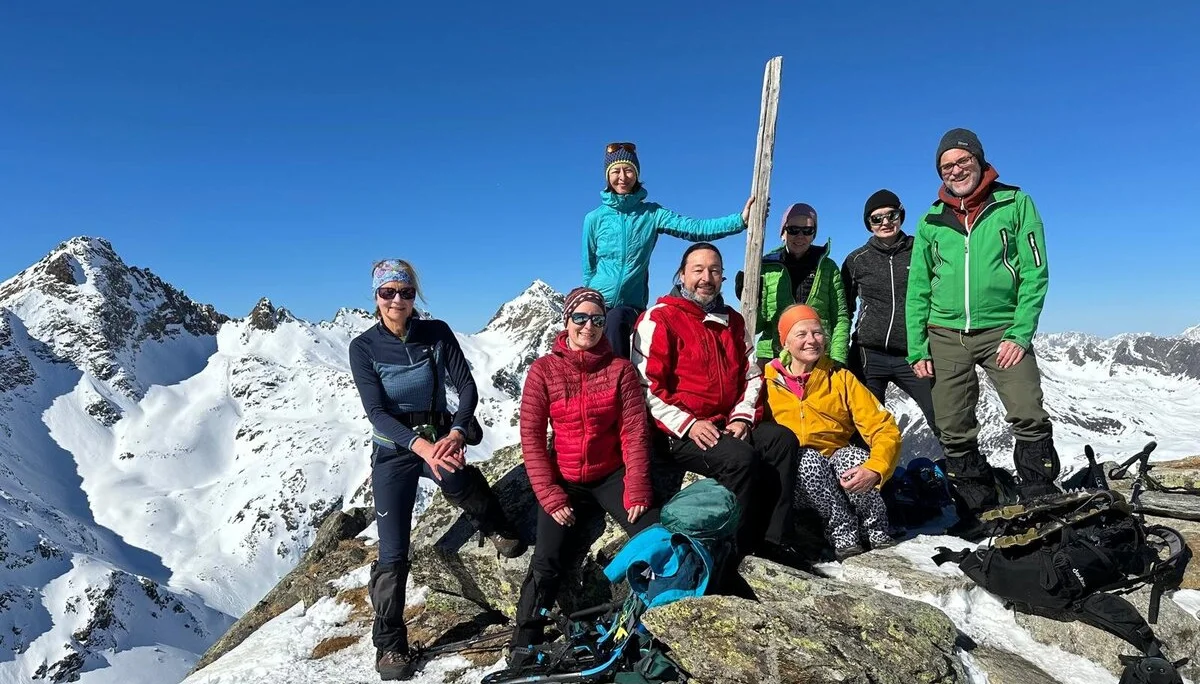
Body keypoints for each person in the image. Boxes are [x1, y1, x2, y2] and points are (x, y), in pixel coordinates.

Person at [349, 259, 527, 681]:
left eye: (405, 292)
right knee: (393, 553)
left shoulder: (436, 333)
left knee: (459, 481)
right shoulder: (364, 347)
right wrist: (421, 447)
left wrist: (460, 431)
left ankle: (496, 525)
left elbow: (465, 385)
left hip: (440, 434)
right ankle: (390, 645)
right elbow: (376, 411)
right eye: (388, 292)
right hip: (395, 451)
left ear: (415, 297)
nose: (397, 300)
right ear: (375, 297)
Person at [906, 128, 1059, 536]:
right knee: (953, 427)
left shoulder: (1014, 202)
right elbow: (918, 288)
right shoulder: (931, 220)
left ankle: (1040, 501)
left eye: (962, 161)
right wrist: (917, 346)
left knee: (1027, 413)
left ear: (979, 159)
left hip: (1003, 328)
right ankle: (979, 512)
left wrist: (1020, 332)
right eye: (946, 166)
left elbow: (1035, 273)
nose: (955, 170)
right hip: (944, 333)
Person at [509, 286, 660, 663]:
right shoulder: (544, 370)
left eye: (596, 319)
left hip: (611, 474)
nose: (588, 326)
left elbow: (634, 432)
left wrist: (637, 485)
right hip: (564, 477)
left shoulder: (619, 370)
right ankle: (522, 643)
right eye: (580, 317)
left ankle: (660, 621)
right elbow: (531, 436)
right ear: (567, 321)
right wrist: (550, 495)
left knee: (654, 535)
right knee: (546, 560)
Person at [631, 242, 799, 561]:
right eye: (698, 270)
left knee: (782, 441)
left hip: (726, 422)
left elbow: (751, 376)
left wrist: (742, 418)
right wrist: (689, 424)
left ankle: (776, 540)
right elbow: (646, 388)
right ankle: (730, 552)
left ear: (722, 277)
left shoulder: (733, 322)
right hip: (677, 432)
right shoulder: (659, 319)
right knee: (740, 459)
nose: (706, 277)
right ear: (681, 276)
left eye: (715, 270)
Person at [582, 141, 758, 359]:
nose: (622, 177)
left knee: (616, 321)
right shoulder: (594, 218)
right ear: (607, 176)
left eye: (628, 170)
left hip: (629, 306)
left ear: (636, 174)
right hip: (599, 301)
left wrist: (740, 220)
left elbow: (694, 229)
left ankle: (621, 384)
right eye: (615, 171)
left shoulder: (652, 214)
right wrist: (589, 298)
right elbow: (589, 267)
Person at [763, 304, 902, 560]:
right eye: (801, 334)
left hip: (837, 463)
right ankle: (843, 531)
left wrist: (876, 467)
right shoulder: (767, 382)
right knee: (806, 460)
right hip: (798, 478)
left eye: (817, 333)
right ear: (785, 342)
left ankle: (876, 528)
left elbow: (883, 427)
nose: (811, 340)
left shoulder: (840, 378)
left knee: (854, 458)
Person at [841, 190, 939, 436]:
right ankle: (870, 474)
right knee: (865, 426)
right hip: (868, 354)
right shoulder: (856, 261)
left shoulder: (921, 250)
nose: (885, 222)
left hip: (913, 354)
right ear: (868, 224)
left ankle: (961, 472)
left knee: (941, 416)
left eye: (891, 215)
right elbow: (845, 308)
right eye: (876, 218)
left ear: (900, 215)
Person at [735, 202, 850, 367]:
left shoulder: (827, 267)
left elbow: (840, 317)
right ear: (783, 233)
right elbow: (758, 326)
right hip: (773, 356)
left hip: (816, 354)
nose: (800, 236)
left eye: (808, 230)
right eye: (793, 230)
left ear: (814, 234)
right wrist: (752, 300)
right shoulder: (766, 267)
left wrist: (837, 358)